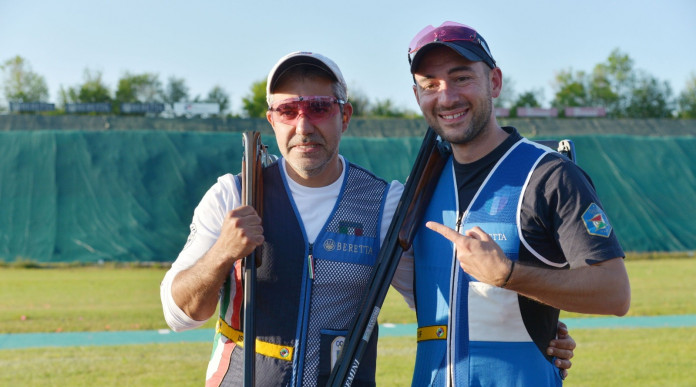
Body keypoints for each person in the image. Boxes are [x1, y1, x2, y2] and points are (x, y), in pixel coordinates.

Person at [160, 51, 575, 386]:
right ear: (272, 120)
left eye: (319, 107)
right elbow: (179, 315)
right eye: (288, 110)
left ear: (344, 116)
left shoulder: (385, 204)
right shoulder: (234, 194)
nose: (303, 124)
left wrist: (538, 334)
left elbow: (447, 301)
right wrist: (221, 254)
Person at [404, 21, 631, 386]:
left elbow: (614, 293)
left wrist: (508, 276)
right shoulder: (419, 187)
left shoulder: (549, 175)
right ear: (418, 97)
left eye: (461, 78)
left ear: (494, 81)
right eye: (430, 85)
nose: (446, 97)